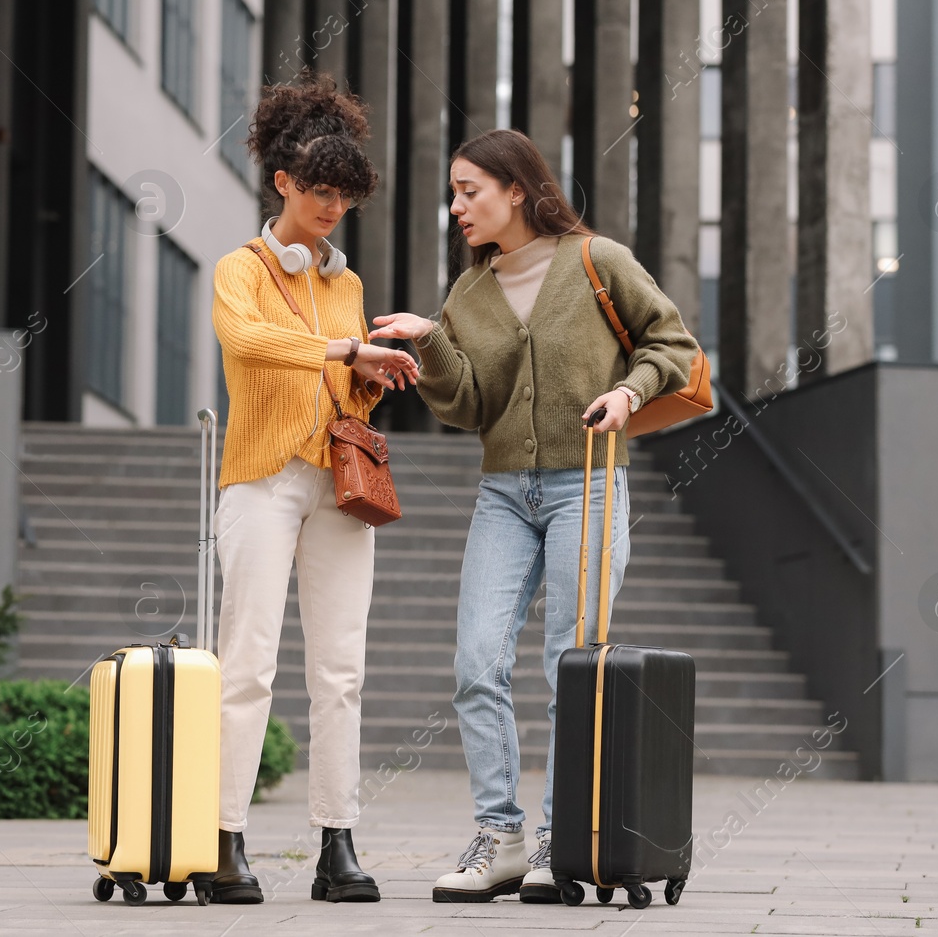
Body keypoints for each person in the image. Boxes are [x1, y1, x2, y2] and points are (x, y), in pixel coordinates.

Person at [369, 128, 697, 903]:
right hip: (504, 492)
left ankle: (563, 836)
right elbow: (469, 405)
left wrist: (629, 391)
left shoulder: (596, 261)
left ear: (517, 189)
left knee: (568, 665)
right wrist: (431, 342)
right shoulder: (469, 293)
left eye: (468, 191)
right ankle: (502, 834)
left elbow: (671, 342)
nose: (456, 207)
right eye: (452, 192)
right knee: (477, 661)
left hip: (588, 483)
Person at [208, 71, 419, 904]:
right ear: (283, 181)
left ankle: (338, 842)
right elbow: (248, 340)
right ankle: (224, 840)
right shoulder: (242, 267)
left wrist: (370, 374)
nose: (333, 209)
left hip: (338, 486)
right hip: (261, 480)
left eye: (346, 196)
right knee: (247, 663)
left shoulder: (348, 286)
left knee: (340, 668)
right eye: (320, 191)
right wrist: (339, 352)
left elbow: (342, 390)